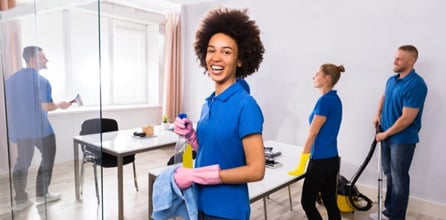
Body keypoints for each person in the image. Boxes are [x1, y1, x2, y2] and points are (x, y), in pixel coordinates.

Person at [173, 8, 265, 219]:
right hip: (200, 203)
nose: (216, 58)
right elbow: (211, 148)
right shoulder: (208, 104)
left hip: (227, 211)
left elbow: (256, 170)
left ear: (239, 60)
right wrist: (191, 136)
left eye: (226, 52)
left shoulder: (246, 105)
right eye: (211, 50)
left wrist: (199, 175)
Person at [5, 46, 71, 211]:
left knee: (22, 163)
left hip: (21, 129)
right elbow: (46, 106)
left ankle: (20, 200)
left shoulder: (11, 80)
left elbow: (11, 104)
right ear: (33, 59)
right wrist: (61, 105)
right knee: (48, 157)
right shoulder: (42, 81)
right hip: (41, 130)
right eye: (43, 57)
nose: (46, 60)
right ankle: (42, 194)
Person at [370, 45, 428, 220]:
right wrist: (377, 113)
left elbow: (407, 119)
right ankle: (388, 212)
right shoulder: (392, 80)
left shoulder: (417, 84)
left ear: (411, 61)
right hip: (386, 135)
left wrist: (385, 134)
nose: (394, 61)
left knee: (399, 178)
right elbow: (384, 96)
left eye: (399, 59)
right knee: (390, 175)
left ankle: (396, 217)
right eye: (395, 57)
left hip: (402, 139)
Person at [288, 64, 345, 220]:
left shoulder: (325, 102)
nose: (314, 77)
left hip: (320, 161)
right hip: (332, 159)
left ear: (326, 78)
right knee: (329, 201)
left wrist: (301, 164)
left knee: (307, 202)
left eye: (317, 74)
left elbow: (312, 134)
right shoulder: (335, 99)